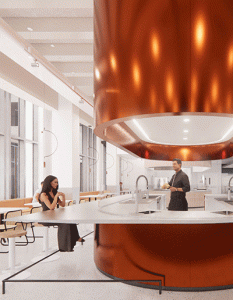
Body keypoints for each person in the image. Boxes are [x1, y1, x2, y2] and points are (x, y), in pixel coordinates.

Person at [39, 175, 84, 252]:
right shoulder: (43, 195)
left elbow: (62, 205)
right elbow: (51, 207)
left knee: (70, 219)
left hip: (53, 216)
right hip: (46, 218)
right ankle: (64, 247)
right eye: (55, 182)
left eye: (57, 182)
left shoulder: (53, 193)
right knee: (64, 223)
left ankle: (75, 238)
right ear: (49, 183)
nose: (57, 184)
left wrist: (63, 197)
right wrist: (56, 197)